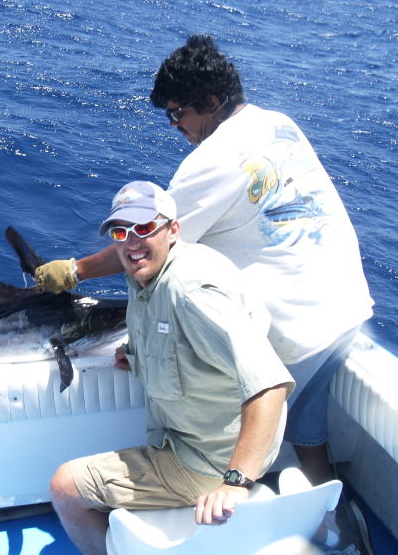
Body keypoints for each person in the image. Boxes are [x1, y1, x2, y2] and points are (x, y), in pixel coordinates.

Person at [35, 35, 374, 553]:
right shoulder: (276, 122)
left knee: (255, 420)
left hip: (297, 321)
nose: (177, 128)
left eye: (178, 113)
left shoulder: (213, 159)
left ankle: (245, 516)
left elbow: (150, 242)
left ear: (211, 104)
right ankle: (332, 518)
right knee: (308, 425)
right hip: (346, 305)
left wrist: (75, 270)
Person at [49, 180, 293, 555]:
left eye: (145, 229)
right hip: (201, 438)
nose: (131, 243)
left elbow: (270, 386)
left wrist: (234, 482)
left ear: (173, 230)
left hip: (211, 460)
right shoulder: (147, 271)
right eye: (120, 232)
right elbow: (179, 336)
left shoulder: (191, 293)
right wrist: (139, 355)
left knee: (64, 487)